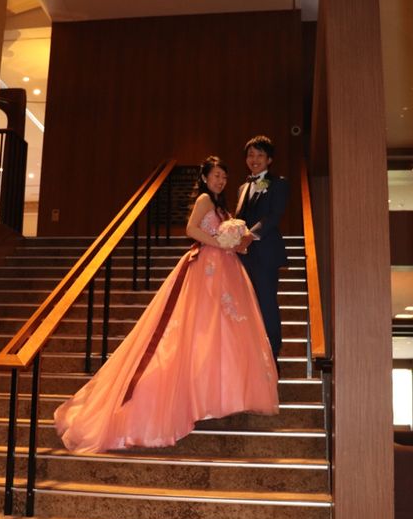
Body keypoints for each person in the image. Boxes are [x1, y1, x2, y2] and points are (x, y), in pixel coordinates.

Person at [54, 156, 279, 454]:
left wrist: (237, 242)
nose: (220, 181)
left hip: (226, 269)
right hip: (207, 268)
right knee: (198, 329)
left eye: (224, 177)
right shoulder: (203, 200)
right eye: (215, 176)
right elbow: (191, 229)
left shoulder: (223, 208)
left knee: (223, 332)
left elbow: (225, 235)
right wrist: (220, 242)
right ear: (205, 178)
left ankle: (216, 396)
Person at [235, 136, 289, 367]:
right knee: (246, 305)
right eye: (250, 155)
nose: (254, 159)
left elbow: (274, 215)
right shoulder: (242, 187)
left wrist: (250, 235)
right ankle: (251, 356)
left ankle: (272, 357)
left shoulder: (279, 183)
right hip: (242, 256)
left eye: (259, 155)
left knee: (267, 304)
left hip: (265, 253)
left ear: (269, 159)